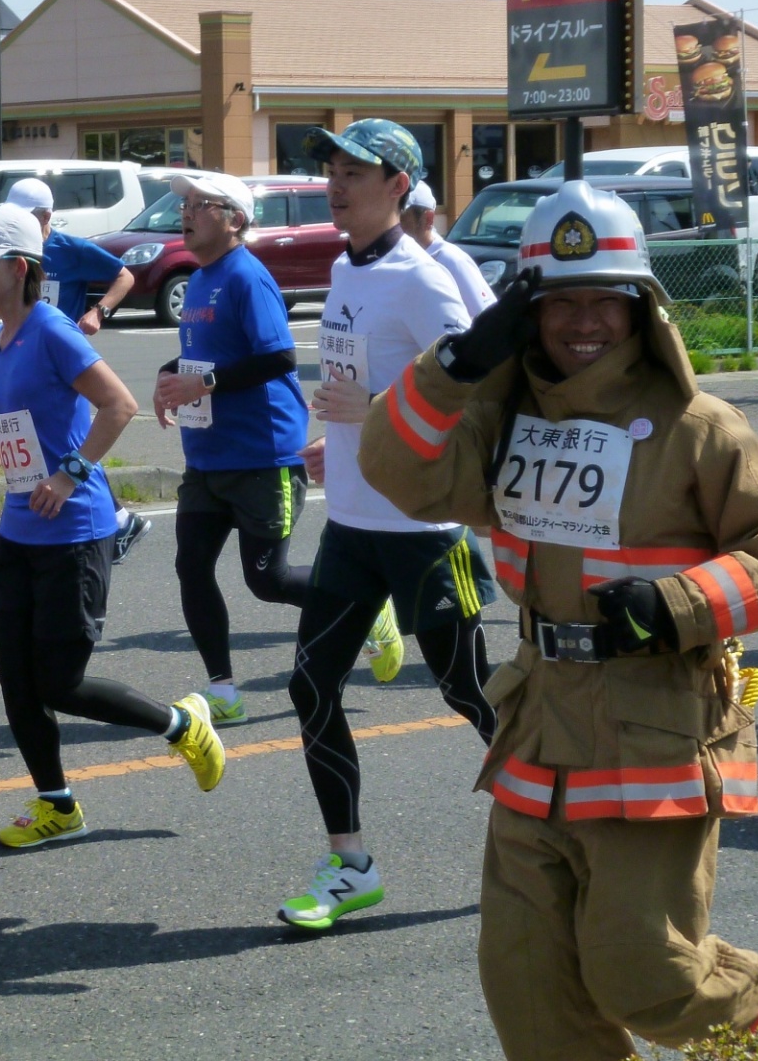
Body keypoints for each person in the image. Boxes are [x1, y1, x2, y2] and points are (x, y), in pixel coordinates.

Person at [362, 179, 758, 1056]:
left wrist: (674, 605)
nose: (583, 321)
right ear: (528, 314)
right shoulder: (496, 420)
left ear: (642, 310)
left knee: (645, 974)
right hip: (537, 723)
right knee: (529, 990)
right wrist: (460, 364)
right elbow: (396, 469)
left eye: (606, 302)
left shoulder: (701, 427)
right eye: (560, 303)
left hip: (653, 729)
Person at [0, 204, 225, 848]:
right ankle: (58, 806)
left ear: (18, 269)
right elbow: (21, 429)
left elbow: (118, 405)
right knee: (18, 683)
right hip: (19, 531)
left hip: (74, 531)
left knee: (60, 683)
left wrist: (69, 474)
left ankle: (181, 724)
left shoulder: (53, 330)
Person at [276, 119, 495, 931]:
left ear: (399, 187)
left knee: (468, 691)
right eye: (330, 167)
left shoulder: (421, 278)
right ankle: (351, 864)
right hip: (353, 525)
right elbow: (358, 382)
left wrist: (373, 414)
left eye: (354, 171)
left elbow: (480, 389)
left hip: (428, 530)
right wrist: (336, 441)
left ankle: (566, 818)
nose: (334, 182)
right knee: (310, 684)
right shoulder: (343, 268)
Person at [152, 173, 312, 727]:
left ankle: (366, 603)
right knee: (191, 565)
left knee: (267, 581)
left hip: (262, 455)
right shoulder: (200, 279)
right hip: (208, 456)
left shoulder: (247, 276)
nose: (186, 213)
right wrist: (168, 375)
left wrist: (204, 384)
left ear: (235, 219)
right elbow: (206, 355)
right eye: (185, 205)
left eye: (200, 205)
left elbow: (279, 359)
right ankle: (223, 689)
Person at [2, 178, 150, 565]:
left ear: (46, 217)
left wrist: (99, 311)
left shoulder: (69, 250)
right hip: (28, 354)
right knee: (55, 441)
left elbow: (125, 275)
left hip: (66, 360)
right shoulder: (17, 254)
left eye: (26, 218)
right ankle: (117, 519)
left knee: (76, 442)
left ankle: (109, 519)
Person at [401, 180, 494, 317]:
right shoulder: (392, 259)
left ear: (428, 219)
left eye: (401, 216)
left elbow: (487, 318)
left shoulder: (451, 260)